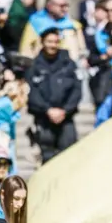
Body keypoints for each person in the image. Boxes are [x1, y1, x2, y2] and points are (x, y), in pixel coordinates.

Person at [26, 27, 82, 163]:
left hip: (66, 118)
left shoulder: (69, 64)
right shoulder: (33, 66)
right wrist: (47, 110)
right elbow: (31, 93)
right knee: (47, 159)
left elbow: (77, 90)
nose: (53, 45)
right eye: (49, 41)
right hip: (43, 119)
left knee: (70, 157)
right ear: (42, 42)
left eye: (56, 42)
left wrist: (65, 110)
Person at [19, 0, 86, 61]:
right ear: (50, 6)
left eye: (67, 5)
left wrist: (83, 59)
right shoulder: (35, 23)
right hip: (44, 67)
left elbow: (82, 49)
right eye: (62, 6)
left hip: (70, 67)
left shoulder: (73, 25)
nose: (65, 9)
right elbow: (25, 50)